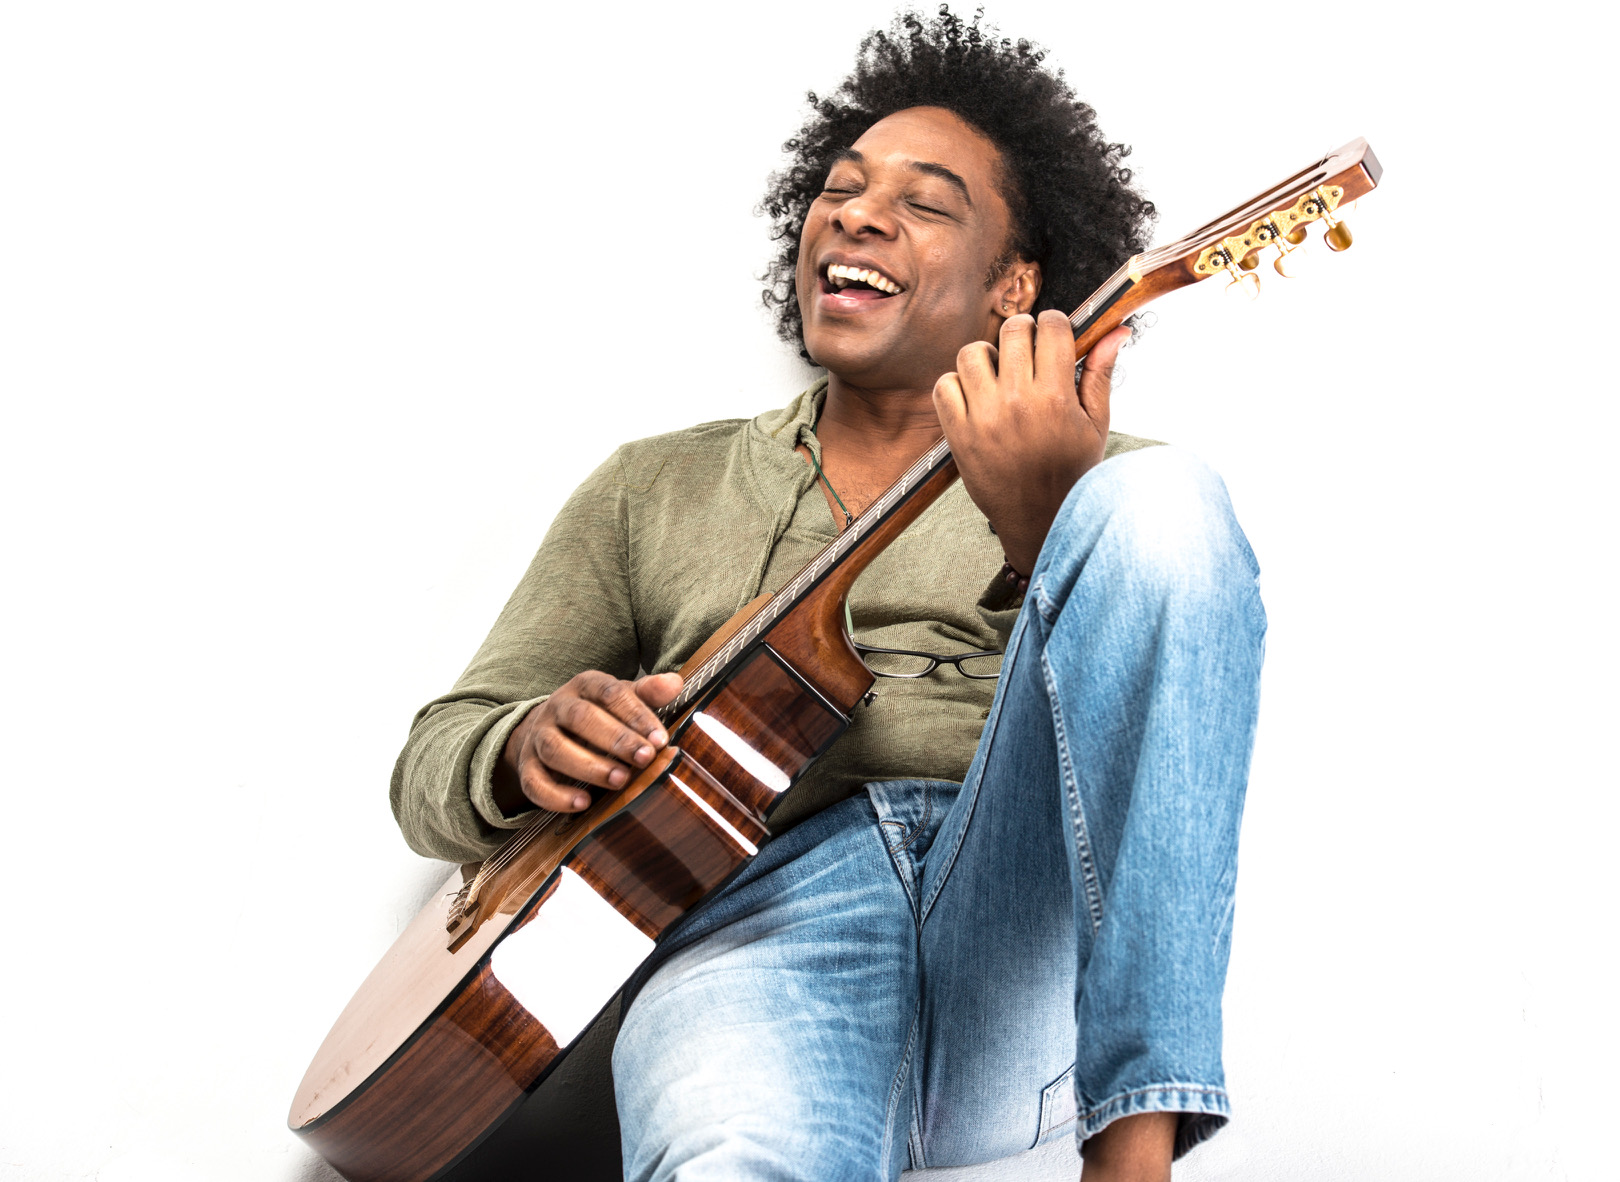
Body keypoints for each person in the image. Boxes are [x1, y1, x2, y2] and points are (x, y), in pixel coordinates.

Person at [391, 10, 1265, 1180]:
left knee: (1164, 499)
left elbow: (1144, 766)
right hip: (754, 937)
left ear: (1014, 285)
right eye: (840, 189)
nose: (855, 214)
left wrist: (1044, 521)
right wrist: (523, 745)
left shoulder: (1101, 492)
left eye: (925, 204)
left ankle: (1134, 1155)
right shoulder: (655, 486)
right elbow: (430, 770)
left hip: (1024, 950)